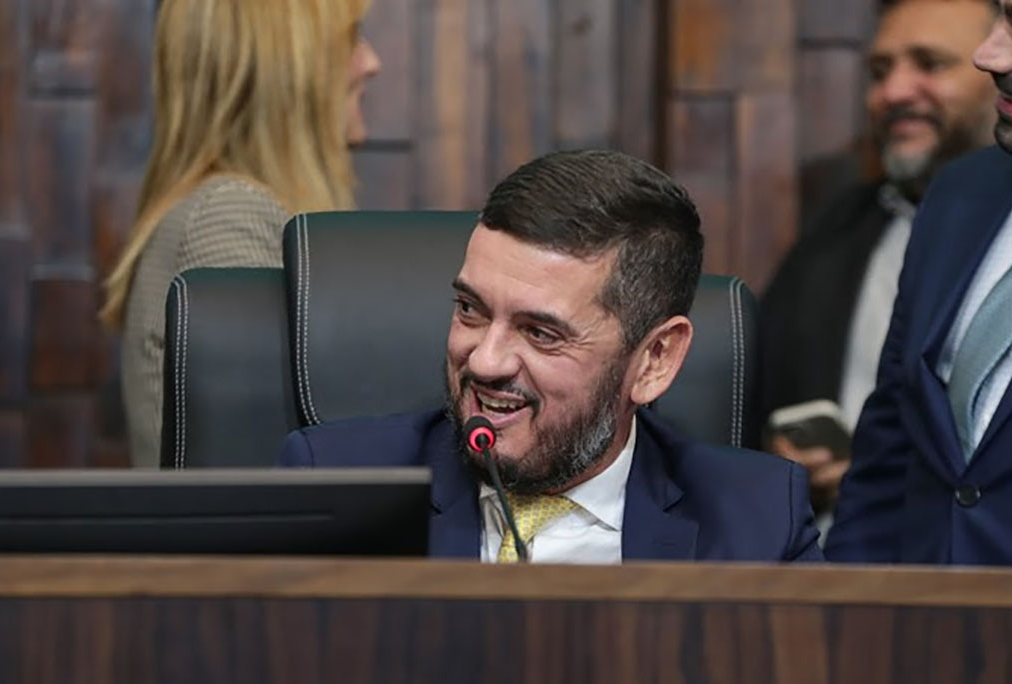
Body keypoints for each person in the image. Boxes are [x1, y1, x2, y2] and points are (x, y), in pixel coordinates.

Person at [280, 150, 822, 563]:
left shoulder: (760, 523)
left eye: (541, 333)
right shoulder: (333, 484)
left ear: (654, 359)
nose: (485, 362)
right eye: (470, 309)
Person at [100, 0, 381, 467]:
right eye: (351, 40)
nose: (372, 62)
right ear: (285, 70)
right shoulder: (229, 218)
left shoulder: (222, 208)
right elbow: (267, 465)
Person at [761, 0, 997, 532]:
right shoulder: (839, 229)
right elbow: (762, 400)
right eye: (880, 72)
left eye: (931, 64)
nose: (894, 93)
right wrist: (781, 462)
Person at [827, 0, 1012, 565]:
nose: (988, 53)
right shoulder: (960, 193)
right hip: (918, 631)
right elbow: (890, 453)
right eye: (1003, 18)